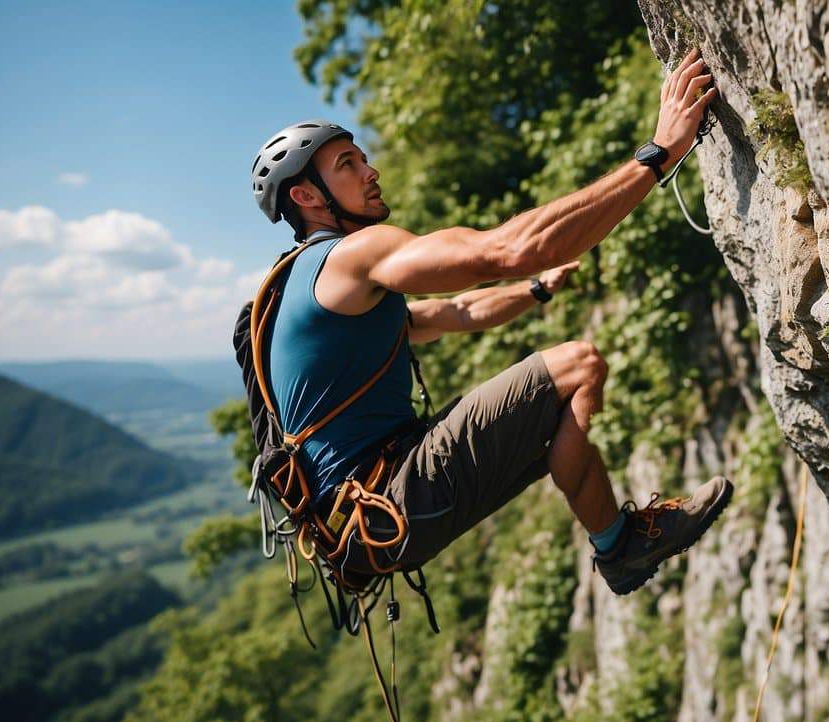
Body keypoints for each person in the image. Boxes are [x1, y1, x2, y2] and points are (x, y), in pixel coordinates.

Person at [249, 48, 730, 596]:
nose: (370, 169)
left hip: (371, 526)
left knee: (560, 398)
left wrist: (535, 291)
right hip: (390, 499)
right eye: (347, 166)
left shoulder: (307, 288)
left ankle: (619, 545)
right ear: (307, 196)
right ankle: (619, 547)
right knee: (576, 367)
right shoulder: (353, 255)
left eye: (361, 157)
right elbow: (509, 248)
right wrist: (659, 152)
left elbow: (457, 312)